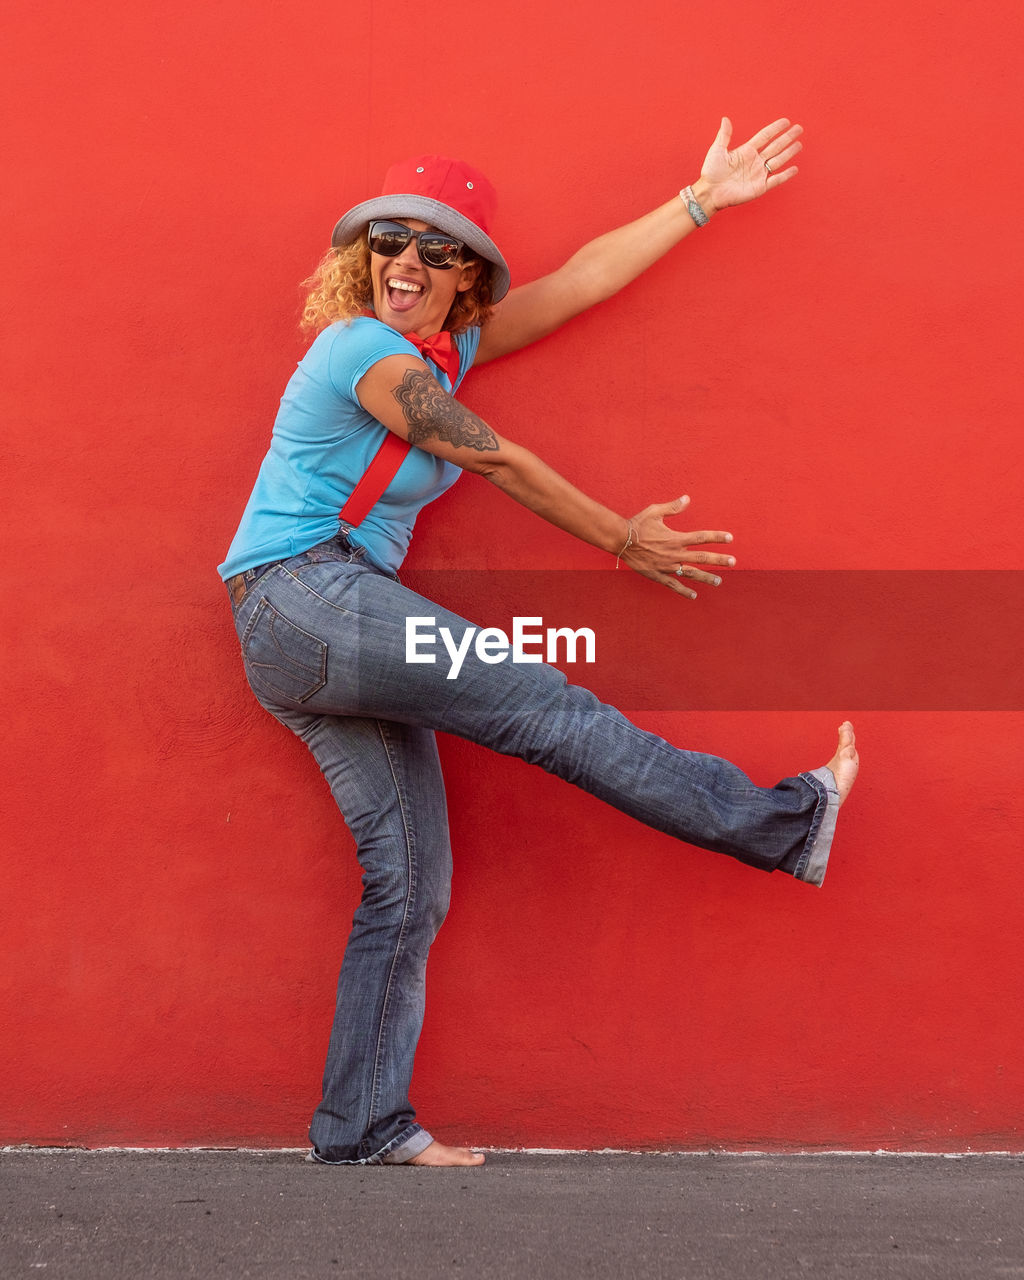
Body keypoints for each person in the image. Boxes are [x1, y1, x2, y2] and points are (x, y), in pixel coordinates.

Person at [219, 117, 859, 1168]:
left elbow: (578, 280)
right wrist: (623, 537)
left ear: (467, 276)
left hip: (323, 623)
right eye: (388, 239)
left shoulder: (447, 345)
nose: (405, 261)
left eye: (436, 249)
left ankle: (362, 1125)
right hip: (305, 597)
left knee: (410, 878)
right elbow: (500, 460)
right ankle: (783, 823)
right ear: (361, 253)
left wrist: (699, 201)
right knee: (543, 706)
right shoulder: (362, 351)